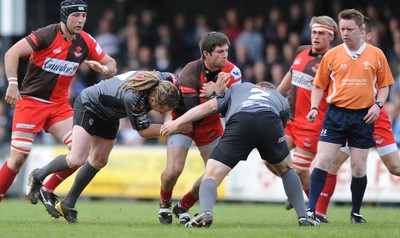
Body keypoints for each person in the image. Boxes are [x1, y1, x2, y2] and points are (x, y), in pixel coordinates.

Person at [0, 0, 117, 206]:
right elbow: (12, 53)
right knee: (18, 159)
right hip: (31, 102)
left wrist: (104, 70)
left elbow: (111, 64)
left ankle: (47, 187)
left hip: (59, 107)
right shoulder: (46, 34)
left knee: (81, 154)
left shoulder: (85, 41)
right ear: (64, 16)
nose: (80, 20)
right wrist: (12, 83)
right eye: (75, 16)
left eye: (83, 16)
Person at [160, 78, 319, 228]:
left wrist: (177, 123)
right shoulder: (278, 97)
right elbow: (282, 122)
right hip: (270, 120)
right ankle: (303, 217)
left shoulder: (238, 88)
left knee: (211, 175)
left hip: (241, 121)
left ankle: (205, 213)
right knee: (286, 169)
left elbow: (208, 107)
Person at [28, 70, 181, 224]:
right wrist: (176, 127)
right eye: (162, 110)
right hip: (90, 105)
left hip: (111, 113)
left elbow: (181, 81)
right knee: (77, 158)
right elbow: (144, 131)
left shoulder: (164, 81)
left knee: (99, 160)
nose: (163, 113)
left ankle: (68, 204)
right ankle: (38, 176)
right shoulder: (134, 98)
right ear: (153, 100)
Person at [306, 9, 394, 224]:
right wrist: (315, 108)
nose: (345, 33)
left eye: (349, 29)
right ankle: (310, 212)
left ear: (361, 30)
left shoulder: (376, 54)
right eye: (342, 29)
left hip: (364, 117)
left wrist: (378, 105)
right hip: (336, 115)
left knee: (358, 167)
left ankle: (355, 212)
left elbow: (384, 86)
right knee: (324, 160)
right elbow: (319, 85)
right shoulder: (332, 54)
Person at [158, 31, 242, 225]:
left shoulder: (234, 72)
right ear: (206, 54)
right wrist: (217, 96)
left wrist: (216, 95)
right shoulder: (190, 72)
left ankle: (184, 206)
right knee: (173, 171)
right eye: (220, 52)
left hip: (210, 123)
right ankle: (165, 202)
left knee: (217, 172)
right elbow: (193, 111)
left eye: (226, 51)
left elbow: (235, 105)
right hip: (182, 121)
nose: (225, 55)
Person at [275, 16, 337, 210]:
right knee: (271, 157)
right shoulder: (301, 51)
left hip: (313, 124)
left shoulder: (333, 60)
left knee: (301, 170)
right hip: (291, 121)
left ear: (331, 37)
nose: (316, 37)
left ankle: (315, 209)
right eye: (314, 32)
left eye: (321, 33)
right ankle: (298, 192)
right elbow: (291, 77)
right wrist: (272, 98)